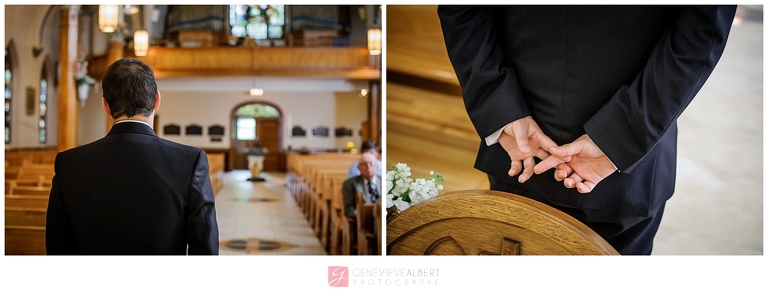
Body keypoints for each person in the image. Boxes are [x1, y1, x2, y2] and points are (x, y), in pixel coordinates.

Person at [438, 5, 736, 254]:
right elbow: (702, 32)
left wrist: (500, 107)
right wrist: (619, 138)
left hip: (525, 150)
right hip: (531, 154)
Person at [46, 58, 219, 255]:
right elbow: (205, 247)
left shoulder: (68, 164)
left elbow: (57, 249)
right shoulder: (190, 162)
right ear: (156, 100)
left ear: (106, 106)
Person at [342, 152, 382, 218]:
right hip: (363, 221)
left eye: (372, 163)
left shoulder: (383, 181)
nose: (368, 167)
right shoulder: (349, 184)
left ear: (376, 167)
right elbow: (349, 209)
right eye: (364, 164)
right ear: (359, 167)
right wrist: (365, 216)